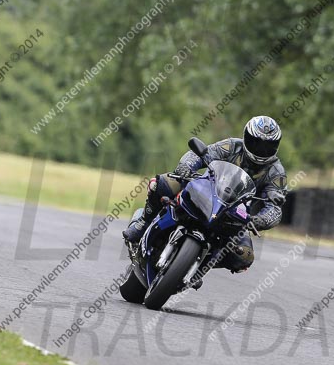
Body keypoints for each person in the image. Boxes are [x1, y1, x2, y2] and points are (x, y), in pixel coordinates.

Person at [123, 115, 288, 273]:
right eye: (256, 143)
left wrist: (260, 220)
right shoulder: (232, 146)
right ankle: (143, 223)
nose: (262, 149)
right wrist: (186, 166)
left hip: (236, 215)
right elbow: (202, 153)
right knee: (162, 183)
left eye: (268, 146)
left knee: (244, 257)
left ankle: (199, 265)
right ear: (246, 137)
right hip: (206, 190)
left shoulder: (276, 172)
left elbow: (275, 207)